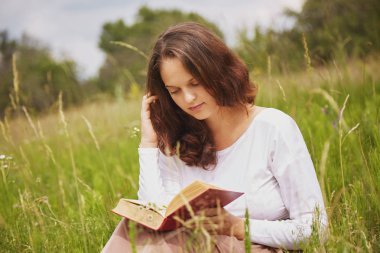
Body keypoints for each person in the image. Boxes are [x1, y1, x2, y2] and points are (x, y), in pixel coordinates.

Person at [102, 22, 327, 252]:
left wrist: (238, 227)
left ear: (216, 71)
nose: (188, 98)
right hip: (196, 245)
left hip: (256, 247)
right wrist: (149, 144)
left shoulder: (273, 128)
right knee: (134, 228)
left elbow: (317, 229)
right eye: (174, 91)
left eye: (195, 83)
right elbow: (155, 221)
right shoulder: (177, 141)